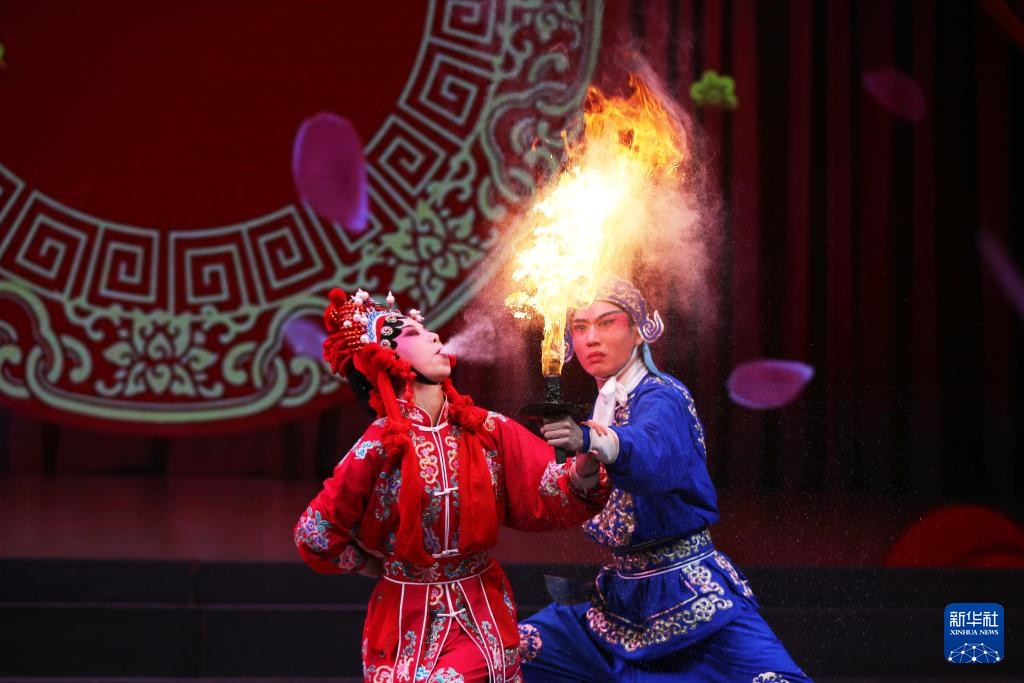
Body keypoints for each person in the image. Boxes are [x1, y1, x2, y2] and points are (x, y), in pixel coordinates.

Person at [294, 288, 609, 683]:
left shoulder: (486, 429)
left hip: (479, 608)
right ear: (386, 356)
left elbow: (550, 485)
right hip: (404, 616)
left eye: (428, 330)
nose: (434, 336)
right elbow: (315, 531)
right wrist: (365, 564)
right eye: (413, 334)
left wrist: (584, 467)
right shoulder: (378, 446)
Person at [519, 275, 811, 683]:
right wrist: (581, 465)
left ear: (639, 331)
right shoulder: (603, 405)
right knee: (514, 652)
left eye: (606, 322)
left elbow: (651, 454)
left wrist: (588, 439)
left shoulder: (662, 395)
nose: (591, 338)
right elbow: (579, 494)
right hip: (620, 601)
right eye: (580, 327)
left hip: (688, 592)